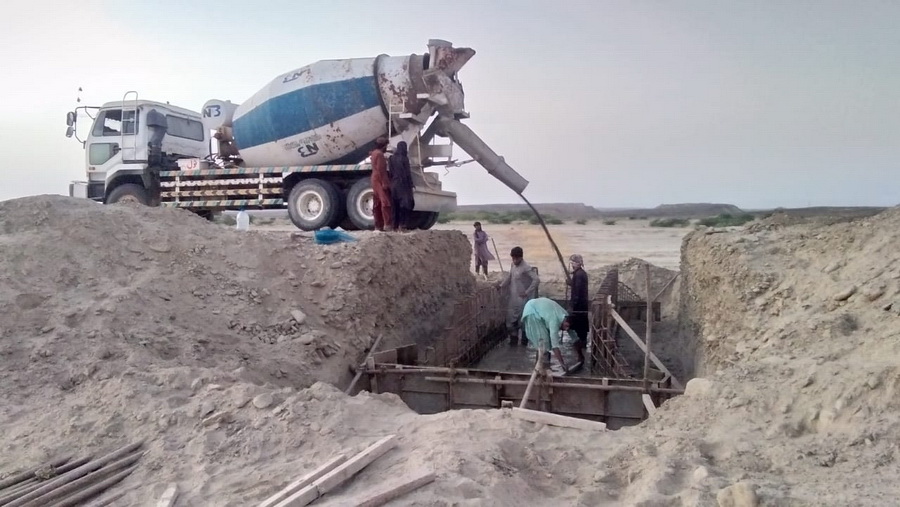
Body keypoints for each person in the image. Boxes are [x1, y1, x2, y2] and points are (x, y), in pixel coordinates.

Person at [497, 246, 539, 345]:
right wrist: (501, 285)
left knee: (523, 321)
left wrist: (527, 292)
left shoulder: (526, 267)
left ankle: (524, 342)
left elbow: (536, 279)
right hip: (513, 298)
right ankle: (513, 341)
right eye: (513, 258)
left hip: (523, 299)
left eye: (516, 258)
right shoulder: (513, 265)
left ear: (521, 257)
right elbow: (509, 277)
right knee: (511, 320)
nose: (514, 260)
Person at [521, 297, 572, 373]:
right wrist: (562, 364)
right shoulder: (554, 321)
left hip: (536, 308)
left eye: (568, 327)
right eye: (566, 326)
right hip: (532, 311)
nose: (566, 329)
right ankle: (540, 370)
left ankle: (543, 368)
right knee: (543, 343)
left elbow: (574, 337)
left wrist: (580, 356)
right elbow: (555, 346)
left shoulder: (565, 315)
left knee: (545, 344)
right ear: (564, 321)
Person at [567, 254, 589, 368]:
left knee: (579, 325)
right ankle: (581, 342)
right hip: (581, 304)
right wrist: (571, 283)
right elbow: (576, 287)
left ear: (579, 263)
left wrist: (573, 305)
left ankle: (581, 343)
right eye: (572, 263)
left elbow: (578, 291)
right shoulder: (580, 274)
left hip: (579, 305)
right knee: (581, 326)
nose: (572, 265)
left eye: (574, 263)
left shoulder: (579, 275)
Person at [388, 141, 415, 232]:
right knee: (405, 206)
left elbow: (391, 172)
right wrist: (411, 184)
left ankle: (394, 226)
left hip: (394, 184)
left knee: (395, 206)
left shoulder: (391, 158)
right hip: (403, 185)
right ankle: (402, 225)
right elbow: (407, 173)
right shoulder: (404, 158)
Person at [369, 137, 392, 231]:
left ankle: (378, 225)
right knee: (385, 202)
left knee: (377, 202)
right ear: (383, 146)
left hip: (374, 178)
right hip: (379, 178)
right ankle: (387, 224)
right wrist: (385, 183)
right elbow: (381, 170)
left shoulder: (374, 153)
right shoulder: (380, 154)